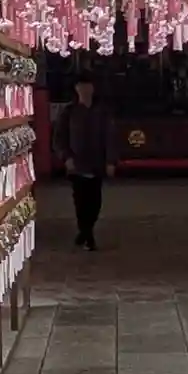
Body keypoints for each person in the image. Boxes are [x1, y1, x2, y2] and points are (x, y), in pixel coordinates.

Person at [60, 71, 114, 251]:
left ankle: (85, 232)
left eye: (87, 86)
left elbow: (110, 136)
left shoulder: (102, 112)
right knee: (80, 202)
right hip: (76, 165)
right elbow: (60, 138)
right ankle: (88, 235)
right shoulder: (69, 112)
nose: (84, 90)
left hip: (97, 163)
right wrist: (66, 157)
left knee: (95, 202)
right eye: (81, 87)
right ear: (76, 89)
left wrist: (111, 160)